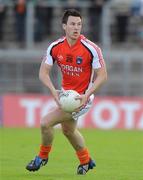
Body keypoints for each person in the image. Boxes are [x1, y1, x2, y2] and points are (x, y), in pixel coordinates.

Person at [26, 9, 107, 175]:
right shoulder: (55, 47)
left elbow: (103, 75)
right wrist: (53, 92)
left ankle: (42, 157)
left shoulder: (91, 48)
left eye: (79, 24)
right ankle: (86, 161)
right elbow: (43, 73)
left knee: (45, 123)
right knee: (68, 130)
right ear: (64, 26)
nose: (76, 28)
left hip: (82, 98)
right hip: (66, 96)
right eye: (72, 24)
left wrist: (87, 94)